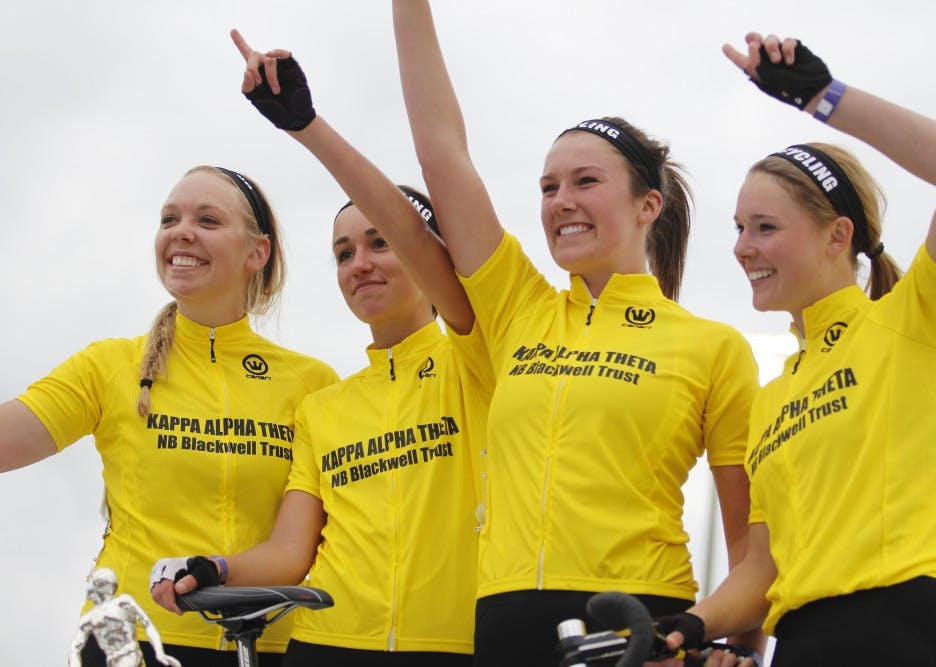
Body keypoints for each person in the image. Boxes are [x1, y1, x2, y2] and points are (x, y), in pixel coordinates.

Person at [391, 3, 765, 665]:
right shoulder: (517, 307)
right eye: (548, 186)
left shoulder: (712, 346)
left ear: (648, 205)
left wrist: (731, 645)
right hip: (504, 619)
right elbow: (441, 155)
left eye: (586, 181)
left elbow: (749, 552)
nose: (561, 199)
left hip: (642, 620)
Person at [653, 33, 936, 667]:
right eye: (738, 228)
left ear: (837, 234)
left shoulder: (912, 320)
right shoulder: (772, 396)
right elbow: (763, 569)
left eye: (765, 228)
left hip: (914, 634)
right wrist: (685, 626)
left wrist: (823, 98)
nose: (741, 248)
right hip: (806, 644)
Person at [150, 30, 493, 667]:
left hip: (451, 647)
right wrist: (216, 566)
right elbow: (290, 551)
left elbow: (443, 198)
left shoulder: (480, 358)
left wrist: (306, 127)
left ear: (426, 253)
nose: (359, 264)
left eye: (381, 242)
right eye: (343, 253)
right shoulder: (325, 407)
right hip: (325, 647)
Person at [0, 164, 339, 666]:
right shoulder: (110, 365)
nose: (181, 231)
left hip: (264, 640)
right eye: (169, 219)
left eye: (207, 220)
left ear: (256, 252)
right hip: (131, 640)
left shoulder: (312, 383)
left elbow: (307, 541)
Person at [70, 568, 181, 667]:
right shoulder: (89, 618)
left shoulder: (122, 602)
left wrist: (159, 652)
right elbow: (75, 647)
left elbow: (147, 623)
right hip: (108, 658)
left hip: (130, 654)